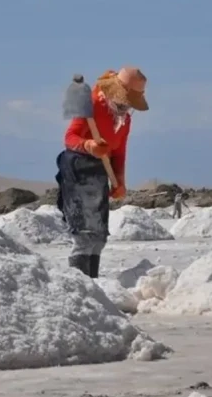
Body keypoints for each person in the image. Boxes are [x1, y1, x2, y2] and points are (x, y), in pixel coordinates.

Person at [55, 66, 149, 278]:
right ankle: (79, 285)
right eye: (125, 100)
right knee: (84, 234)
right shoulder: (91, 105)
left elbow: (119, 152)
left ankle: (93, 286)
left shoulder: (124, 120)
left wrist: (119, 181)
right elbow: (70, 138)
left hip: (100, 171)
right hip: (78, 168)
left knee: (98, 236)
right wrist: (89, 145)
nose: (126, 106)